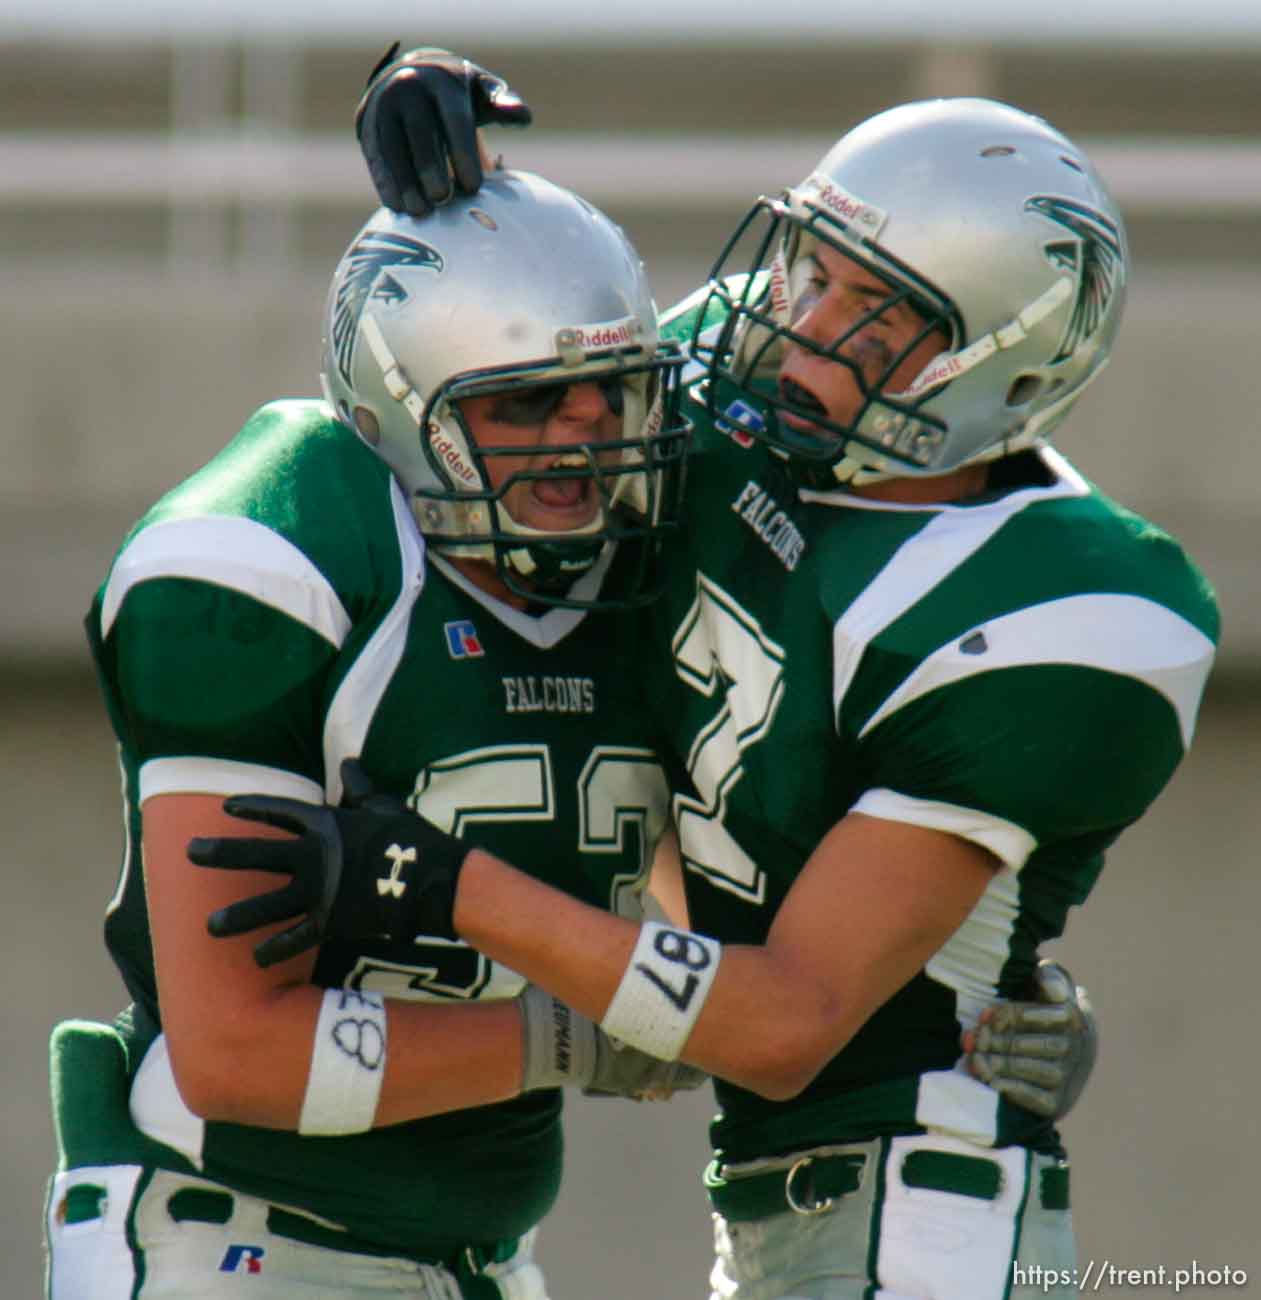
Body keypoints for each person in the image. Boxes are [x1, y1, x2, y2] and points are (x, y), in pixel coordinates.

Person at [189, 54, 1212, 1300]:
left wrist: (448, 884)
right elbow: (484, 404)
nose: (800, 331)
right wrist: (445, 191)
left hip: (915, 1187)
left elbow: (785, 1025)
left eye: (873, 318)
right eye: (811, 269)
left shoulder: (1067, 607)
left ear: (1007, 361)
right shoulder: (719, 387)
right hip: (774, 1194)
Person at [44, 168, 706, 1299]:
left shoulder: (654, 560)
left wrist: (981, 1005)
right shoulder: (273, 555)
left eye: (608, 393)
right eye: (526, 404)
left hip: (485, 1258)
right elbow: (234, 1054)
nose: (581, 443)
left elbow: (758, 954)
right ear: (398, 404)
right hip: (243, 1242)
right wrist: (579, 1034)